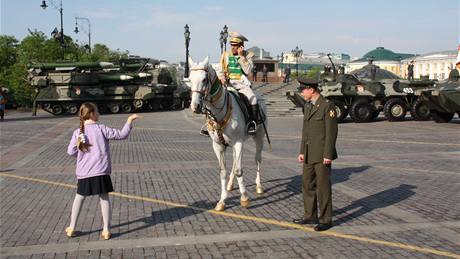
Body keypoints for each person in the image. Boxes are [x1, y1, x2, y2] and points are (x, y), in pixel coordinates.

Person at [66, 102, 140, 240]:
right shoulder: (101, 128)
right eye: (97, 111)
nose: (99, 114)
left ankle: (72, 227)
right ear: (92, 114)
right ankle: (106, 230)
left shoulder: (78, 132)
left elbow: (70, 151)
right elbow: (121, 135)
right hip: (101, 170)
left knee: (79, 198)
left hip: (84, 172)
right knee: (104, 198)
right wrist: (129, 121)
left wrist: (81, 156)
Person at [293, 78, 338, 232]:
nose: (301, 92)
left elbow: (331, 133)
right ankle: (310, 215)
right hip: (308, 153)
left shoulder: (327, 106)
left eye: (303, 89)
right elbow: (305, 131)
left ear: (311, 90)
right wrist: (301, 151)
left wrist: (328, 154)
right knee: (307, 184)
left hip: (321, 154)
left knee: (323, 187)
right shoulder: (308, 106)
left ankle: (326, 219)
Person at [218, 31, 258, 134]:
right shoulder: (225, 55)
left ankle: (252, 122)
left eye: (235, 45)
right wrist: (222, 78)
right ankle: (210, 124)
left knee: (253, 99)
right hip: (227, 84)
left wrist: (242, 57)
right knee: (213, 98)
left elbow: (248, 71)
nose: (233, 47)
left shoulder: (249, 55)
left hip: (241, 84)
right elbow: (220, 70)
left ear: (241, 46)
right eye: (231, 45)